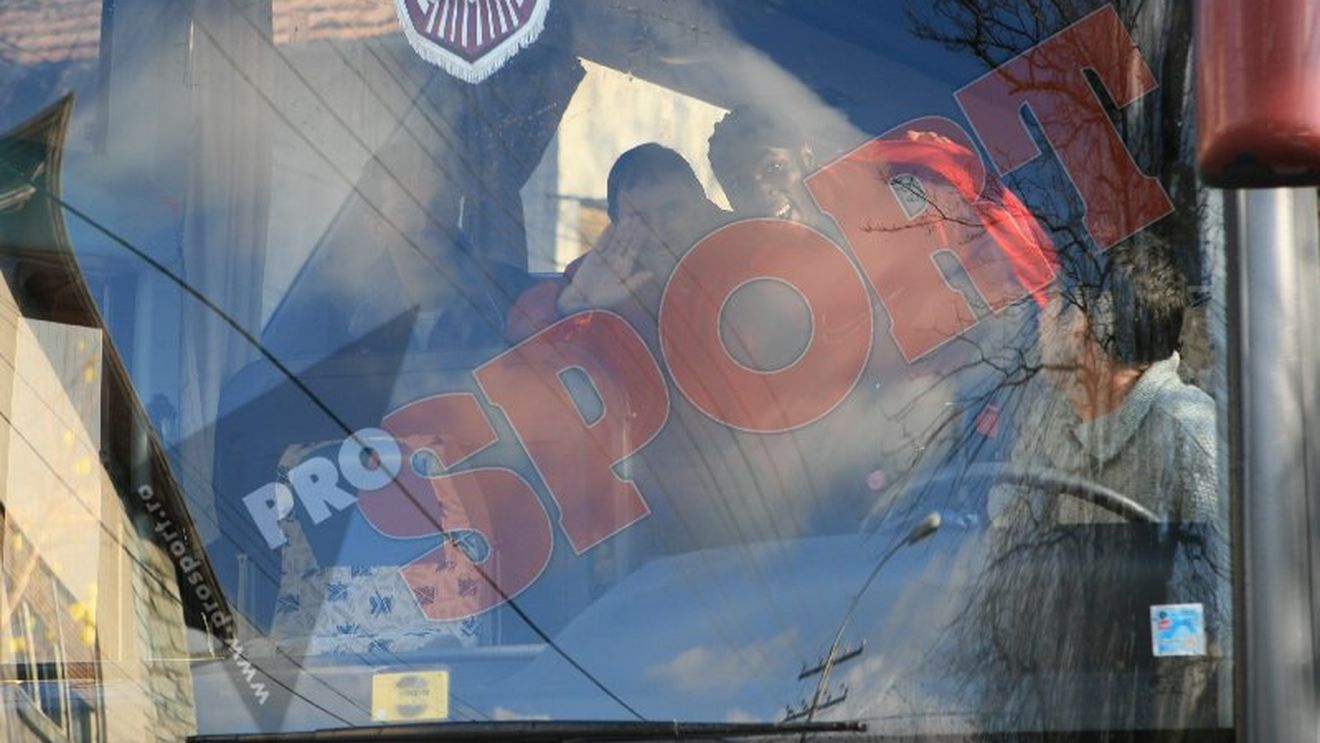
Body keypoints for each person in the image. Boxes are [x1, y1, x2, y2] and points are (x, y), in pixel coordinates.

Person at [994, 233, 1217, 524]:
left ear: (1084, 326)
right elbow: (1004, 531)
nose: (1040, 320)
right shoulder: (1050, 416)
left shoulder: (1194, 442)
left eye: (1056, 306)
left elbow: (1222, 565)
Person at [504, 143, 724, 342]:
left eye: (671, 211)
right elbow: (521, 345)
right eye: (639, 219)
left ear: (701, 203)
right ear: (614, 222)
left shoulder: (742, 250)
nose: (658, 230)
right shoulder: (594, 276)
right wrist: (573, 303)